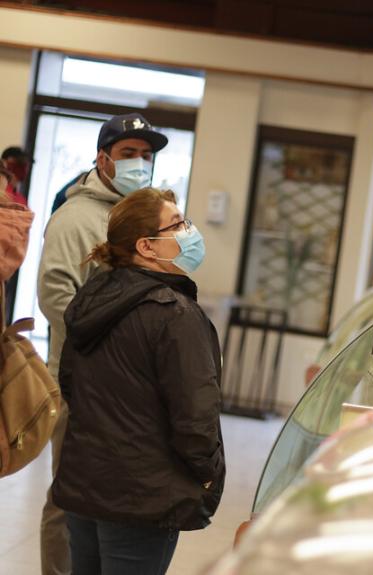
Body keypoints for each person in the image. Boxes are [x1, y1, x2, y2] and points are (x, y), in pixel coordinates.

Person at [53, 187, 225, 575]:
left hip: (85, 484)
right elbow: (195, 414)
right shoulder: (175, 315)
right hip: (141, 498)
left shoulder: (91, 299)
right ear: (147, 246)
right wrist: (208, 474)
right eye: (178, 224)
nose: (189, 232)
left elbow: (71, 386)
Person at [37, 113, 168, 575]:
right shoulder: (75, 218)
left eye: (147, 155)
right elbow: (56, 296)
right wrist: (111, 347)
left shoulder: (134, 217)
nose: (140, 163)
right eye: (128, 153)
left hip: (121, 387)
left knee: (98, 496)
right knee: (67, 495)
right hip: (80, 381)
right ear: (103, 159)